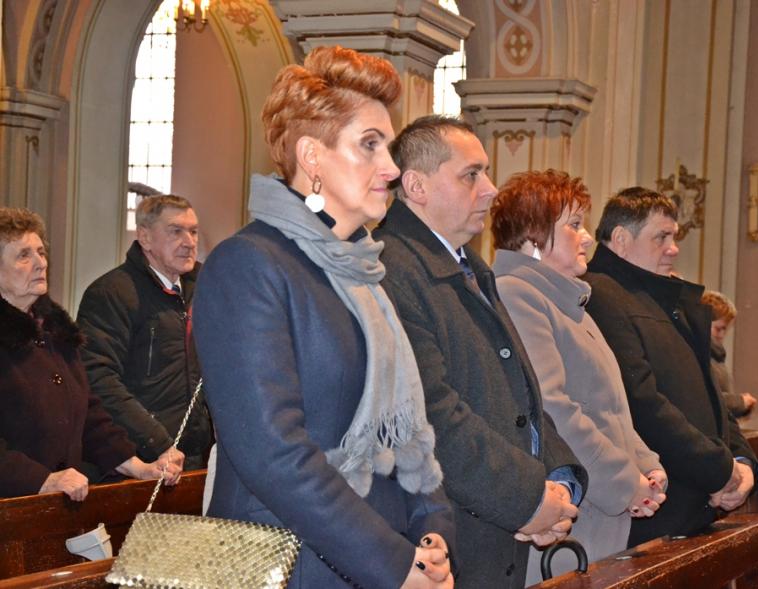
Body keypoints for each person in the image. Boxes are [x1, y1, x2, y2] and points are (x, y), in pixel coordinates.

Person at [192, 46, 454, 589]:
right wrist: (390, 562)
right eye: (370, 144)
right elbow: (272, 453)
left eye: (388, 146)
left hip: (382, 554)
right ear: (312, 155)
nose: (392, 168)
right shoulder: (249, 265)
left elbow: (406, 425)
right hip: (289, 563)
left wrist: (432, 531)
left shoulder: (364, 273)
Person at [374, 116, 587, 589]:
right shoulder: (393, 269)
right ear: (417, 186)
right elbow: (432, 414)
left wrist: (557, 480)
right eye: (471, 175)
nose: (490, 190)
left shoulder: (469, 265)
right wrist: (528, 499)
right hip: (448, 535)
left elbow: (520, 394)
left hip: (496, 524)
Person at [489, 170, 666, 582]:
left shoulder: (567, 302)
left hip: (600, 510)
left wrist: (646, 465)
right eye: (573, 225)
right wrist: (626, 483)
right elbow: (553, 409)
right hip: (574, 515)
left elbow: (610, 409)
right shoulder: (518, 294)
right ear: (533, 237)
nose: (586, 237)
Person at [583, 187, 758, 546]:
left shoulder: (663, 296)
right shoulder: (601, 295)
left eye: (673, 237)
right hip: (656, 513)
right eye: (661, 237)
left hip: (697, 505)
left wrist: (742, 461)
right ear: (621, 239)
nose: (674, 248)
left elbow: (710, 394)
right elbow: (642, 403)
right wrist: (719, 471)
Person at [0, 207, 181, 500]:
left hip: (57, 507)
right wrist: (42, 480)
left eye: (41, 252)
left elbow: (89, 417)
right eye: (24, 255)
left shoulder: (55, 333)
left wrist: (138, 467)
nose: (40, 263)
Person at [77, 195, 212, 470]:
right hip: (139, 459)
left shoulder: (206, 288)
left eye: (194, 231)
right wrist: (158, 442)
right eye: (176, 231)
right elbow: (98, 378)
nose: (189, 242)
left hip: (197, 456)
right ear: (145, 237)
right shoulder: (111, 293)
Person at [701, 290, 757, 419]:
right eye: (718, 329)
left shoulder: (716, 356)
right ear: (703, 323)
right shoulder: (700, 356)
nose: (722, 335)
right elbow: (707, 398)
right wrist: (740, 402)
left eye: (725, 329)